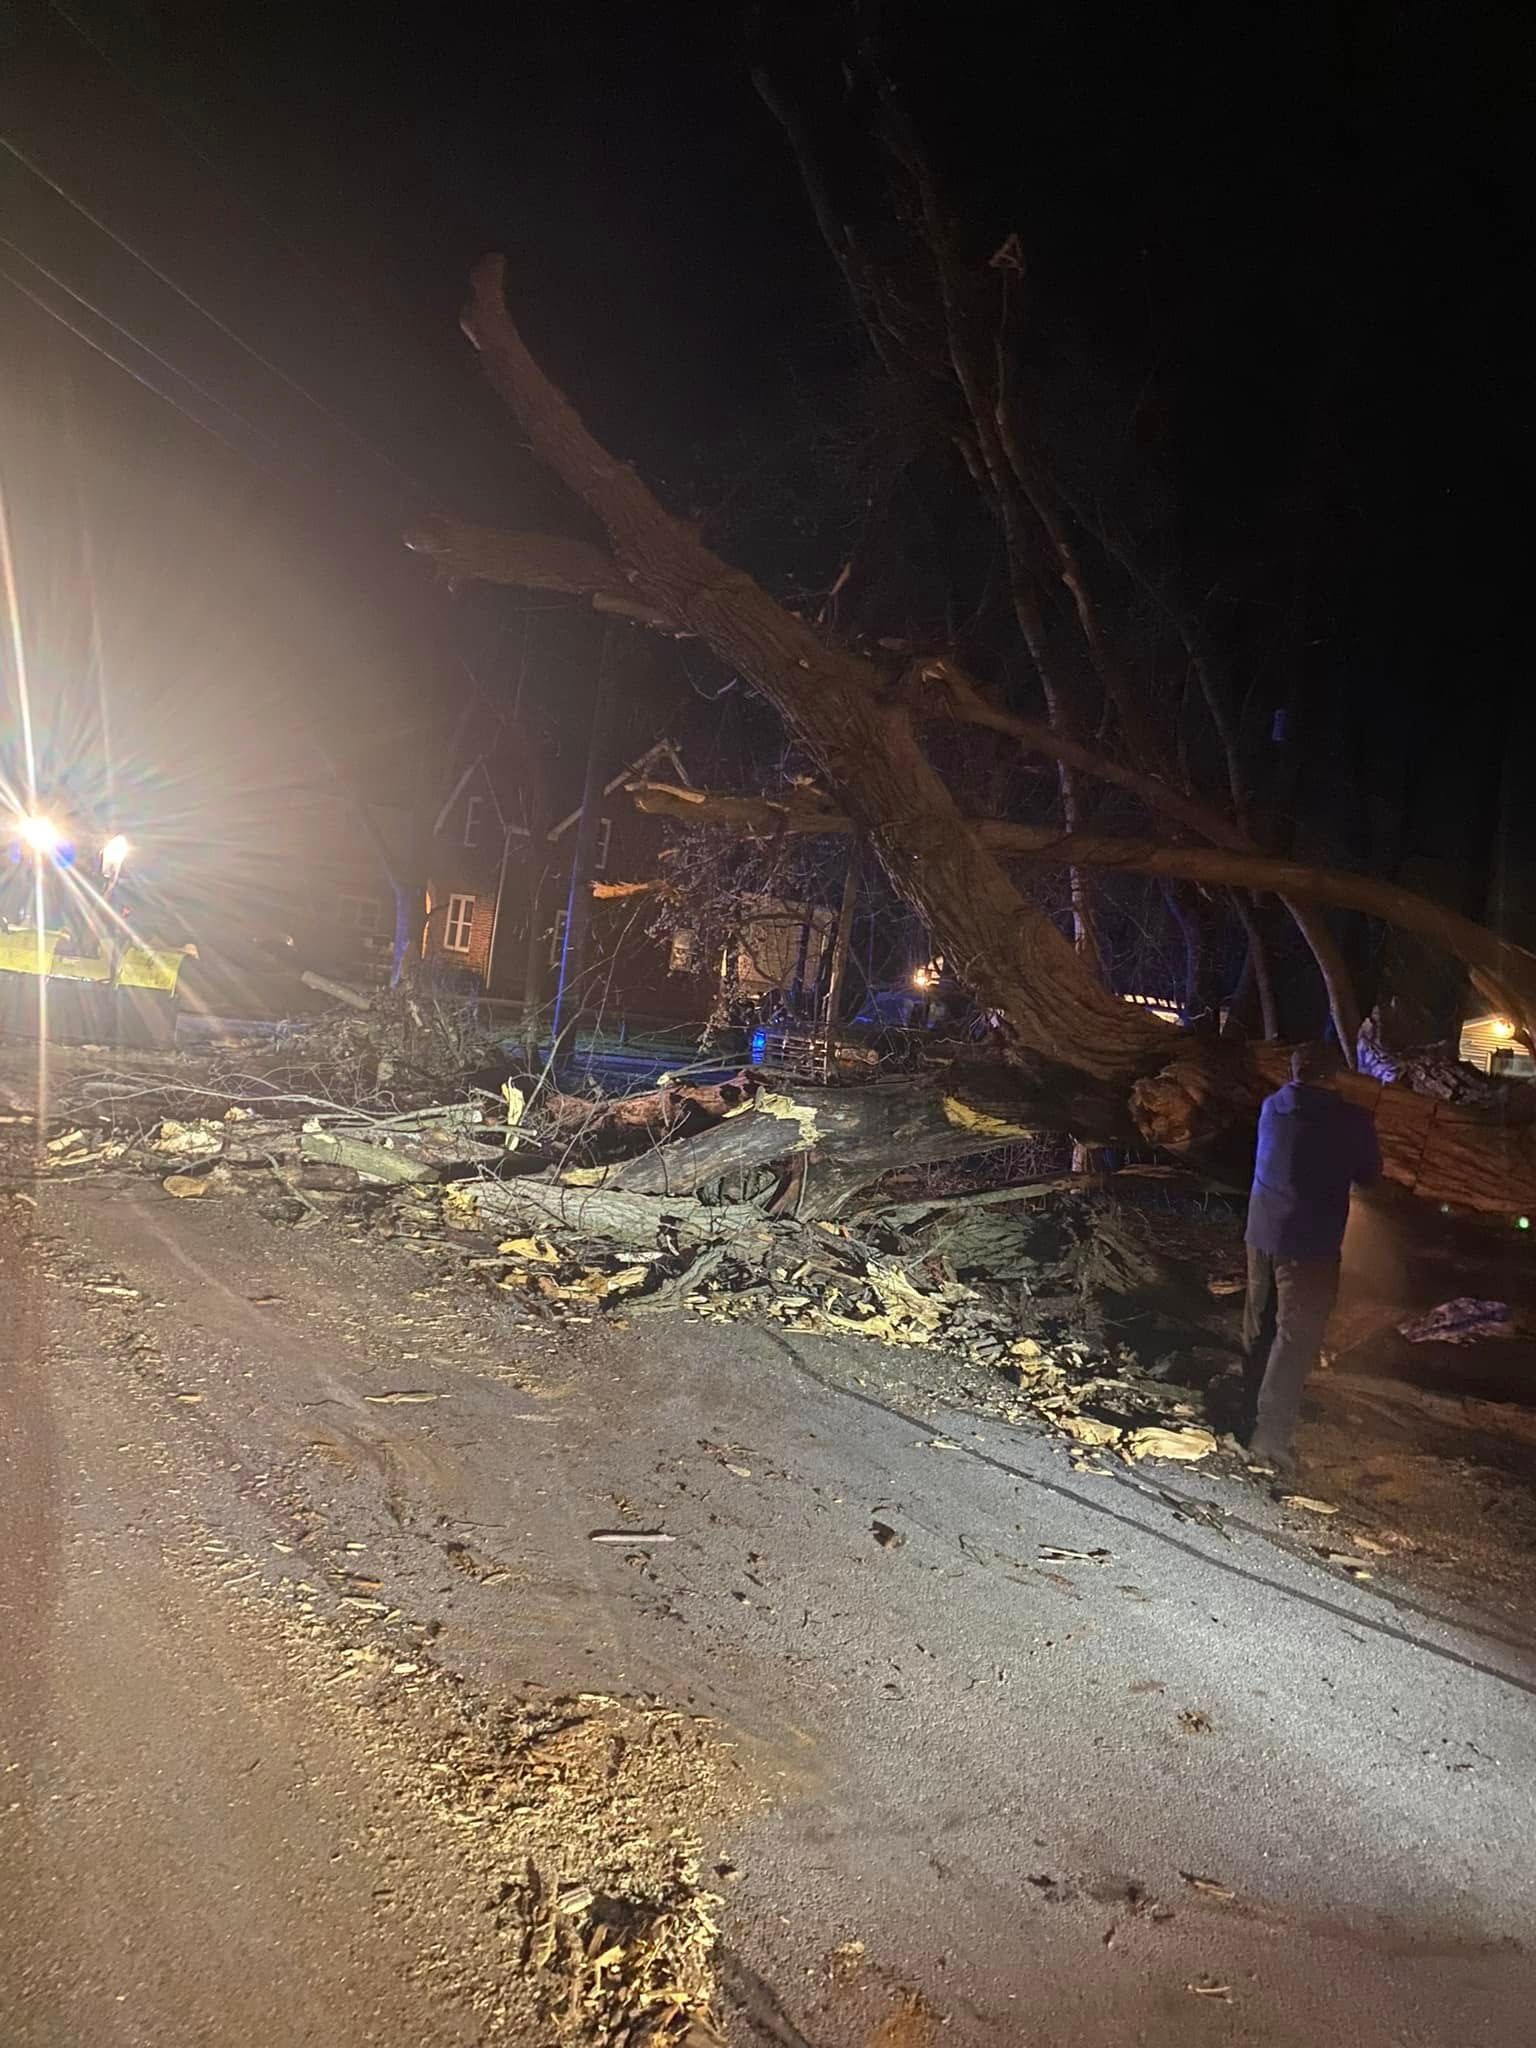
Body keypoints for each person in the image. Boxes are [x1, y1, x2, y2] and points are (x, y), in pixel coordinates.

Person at [1242, 1042, 1381, 1472]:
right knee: (1296, 1338)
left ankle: (1245, 1411)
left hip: (1261, 1233)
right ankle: (1270, 1439)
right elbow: (1370, 1176)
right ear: (1334, 1075)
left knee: (1260, 1324)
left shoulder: (1271, 1107)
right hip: (1309, 1244)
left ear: (1295, 1071)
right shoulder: (1351, 1120)